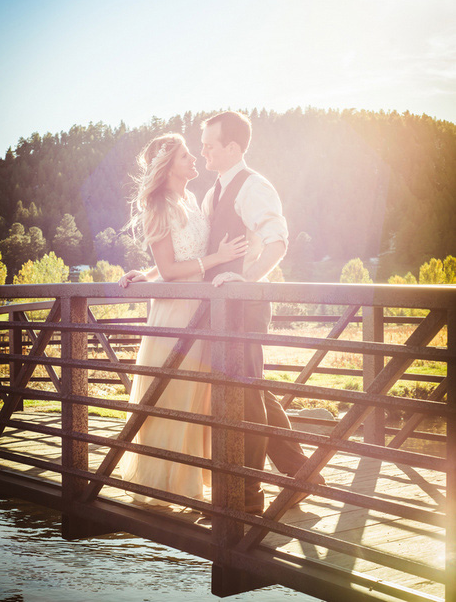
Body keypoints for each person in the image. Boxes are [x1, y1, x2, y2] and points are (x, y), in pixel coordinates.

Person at [201, 110, 324, 515]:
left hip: (246, 306)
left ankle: (247, 499)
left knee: (246, 395)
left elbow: (277, 242)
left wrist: (246, 280)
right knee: (253, 389)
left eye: (210, 144)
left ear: (232, 147)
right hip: (219, 308)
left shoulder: (253, 186)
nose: (203, 150)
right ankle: (302, 475)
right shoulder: (213, 192)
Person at [118, 133, 248, 507]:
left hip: (200, 309)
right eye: (186, 156)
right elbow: (171, 268)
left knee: (195, 397)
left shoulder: (191, 199)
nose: (195, 160)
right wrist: (218, 259)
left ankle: (190, 481)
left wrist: (149, 274)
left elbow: (168, 266)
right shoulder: (158, 206)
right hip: (175, 314)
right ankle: (162, 486)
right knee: (172, 396)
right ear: (169, 165)